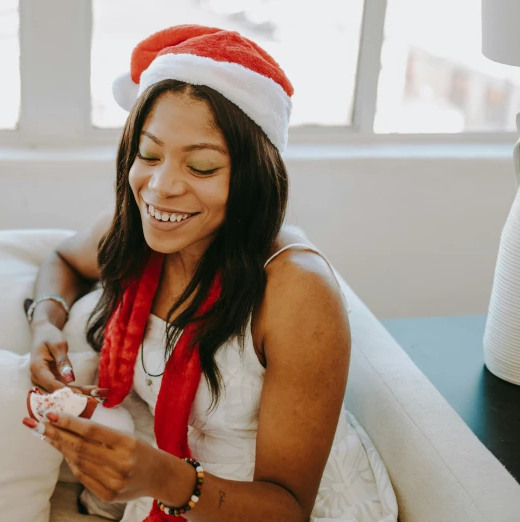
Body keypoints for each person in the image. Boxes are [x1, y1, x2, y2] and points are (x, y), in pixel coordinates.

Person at [21, 25, 351, 522]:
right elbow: (62, 260)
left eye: (200, 167)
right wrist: (46, 321)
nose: (160, 187)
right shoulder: (135, 228)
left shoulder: (298, 291)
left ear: (253, 179)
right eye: (149, 154)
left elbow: (289, 509)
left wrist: (164, 478)